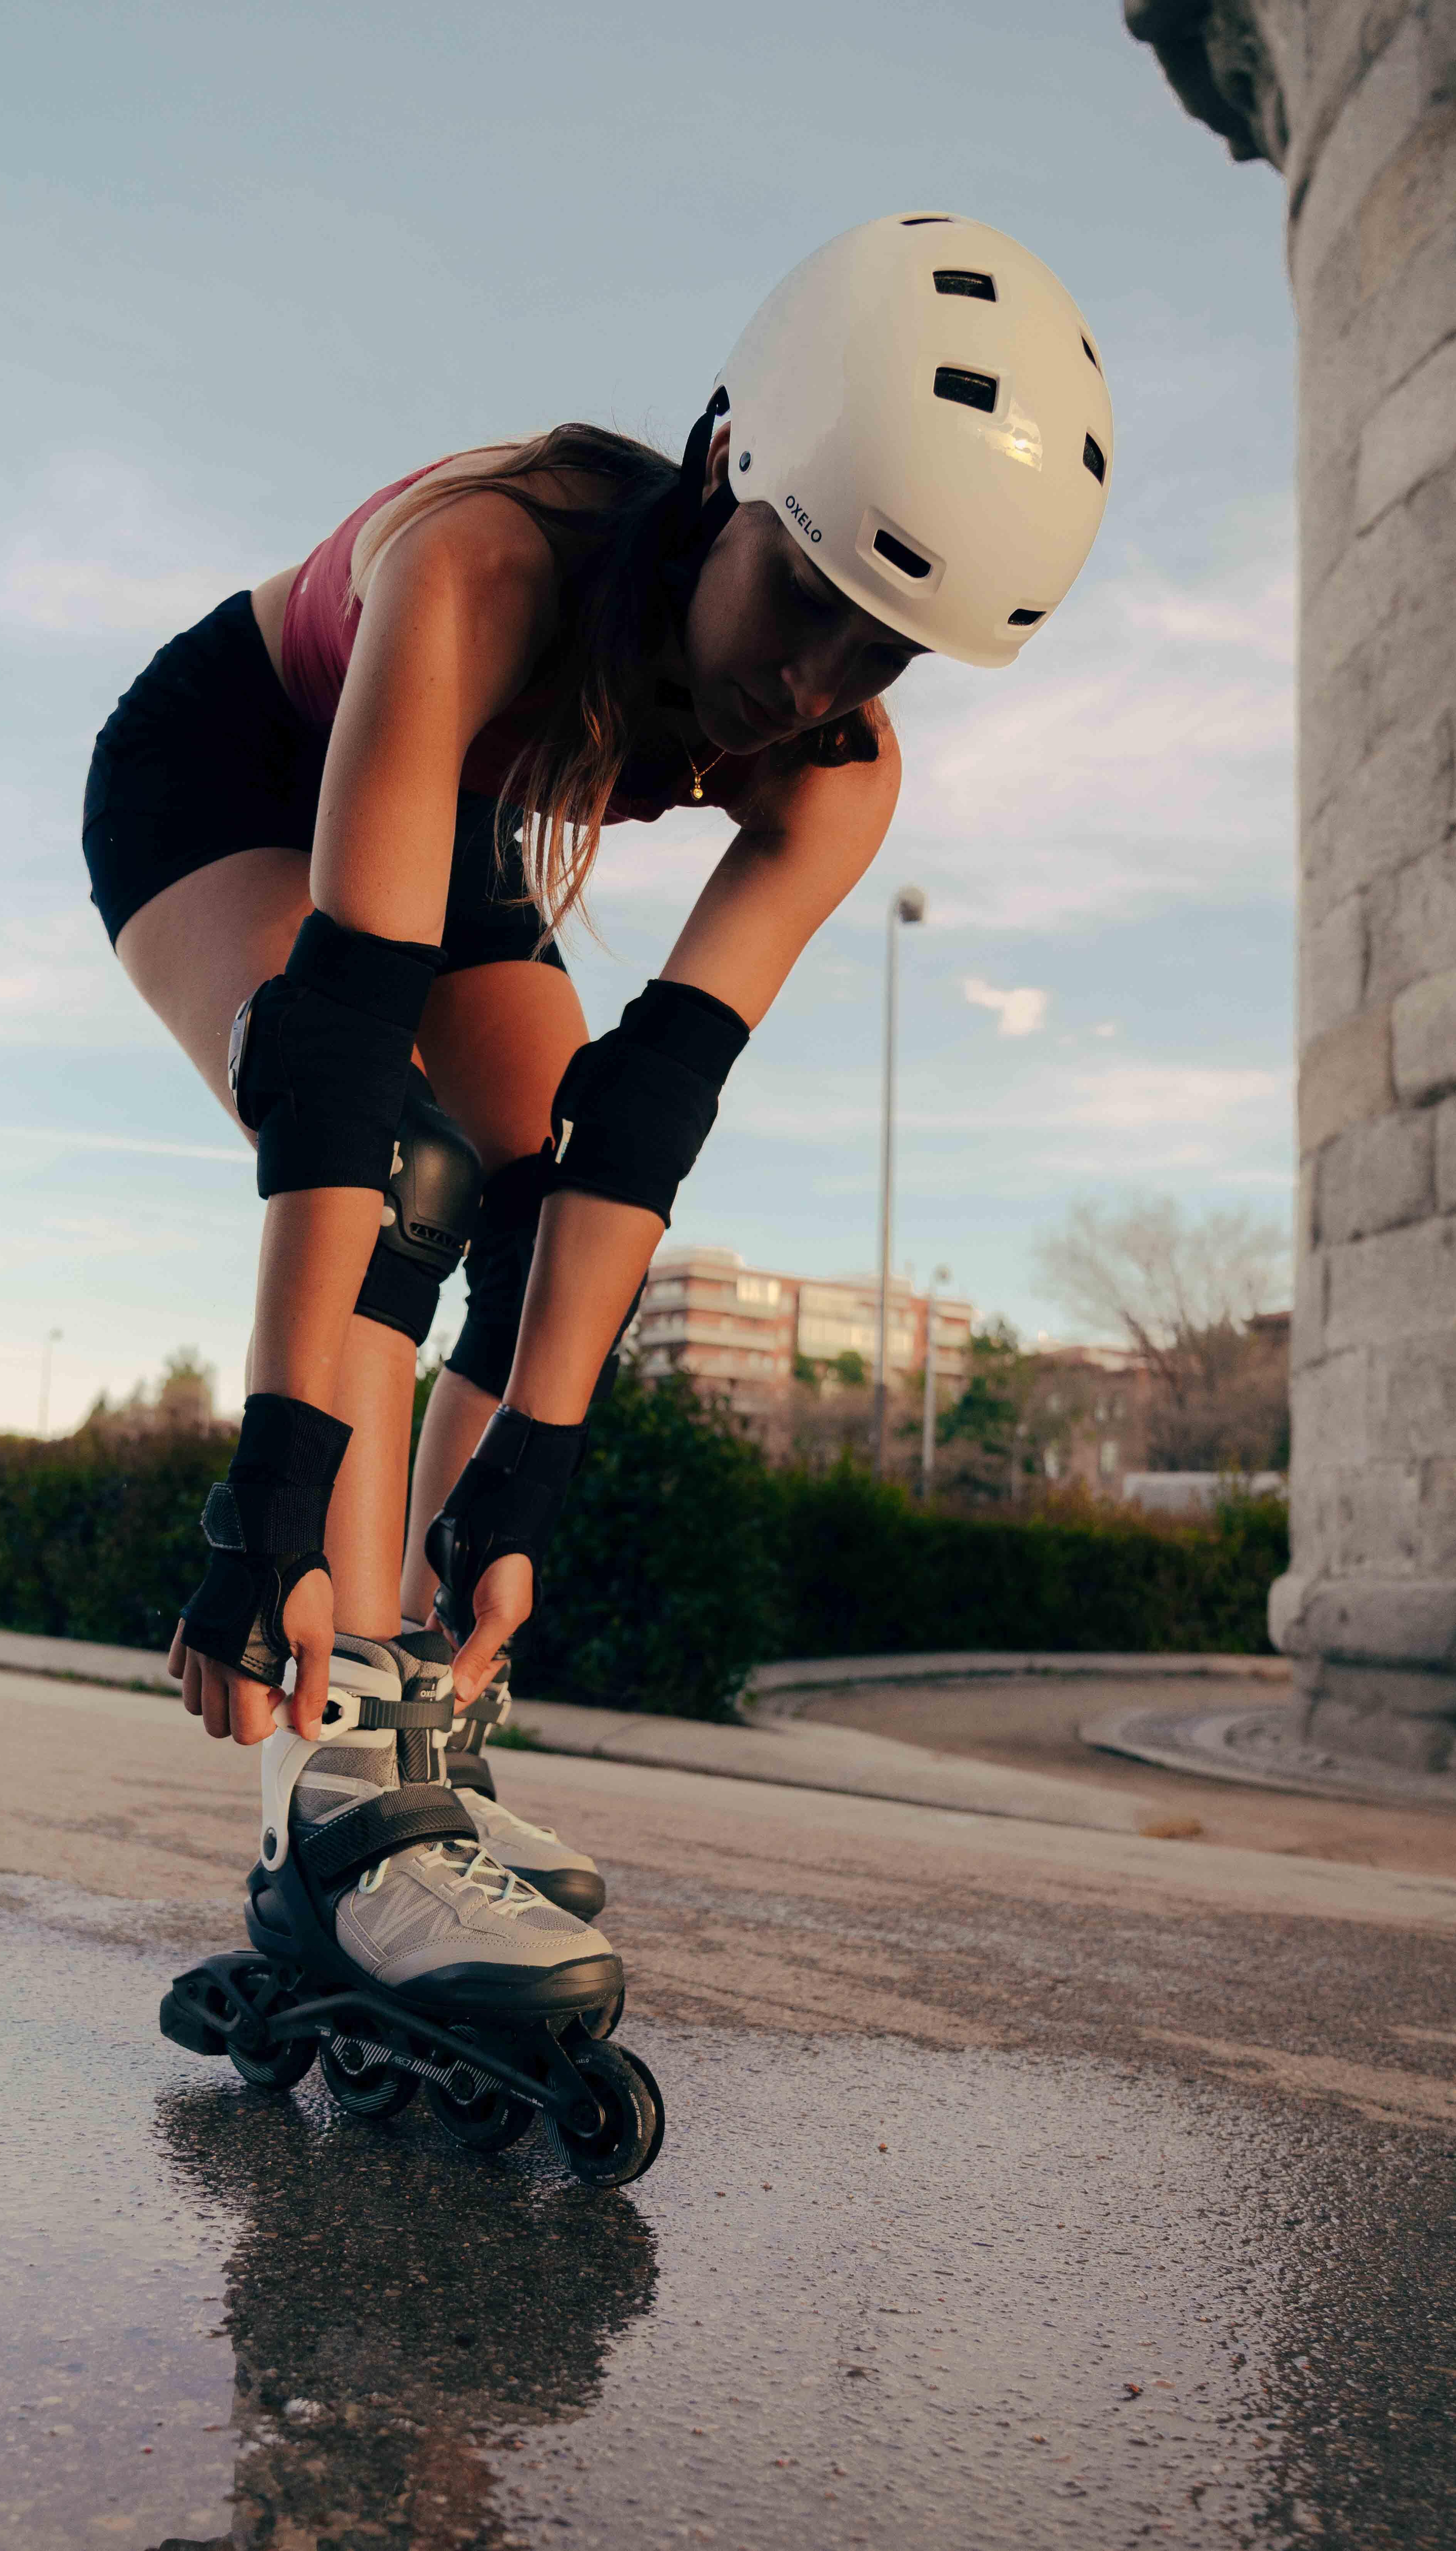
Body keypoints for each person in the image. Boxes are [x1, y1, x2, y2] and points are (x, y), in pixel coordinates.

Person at [85, 213, 1114, 2018]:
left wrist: (525, 1486)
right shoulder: (489, 567)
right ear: (729, 468)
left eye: (881, 654)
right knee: (410, 1165)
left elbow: (646, 1118)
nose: (810, 687)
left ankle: (409, 1728)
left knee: (546, 1178)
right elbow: (338, 1060)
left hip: (470, 795)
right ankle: (331, 1800)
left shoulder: (836, 774)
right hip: (228, 761)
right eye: (805, 596)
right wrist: (270, 1491)